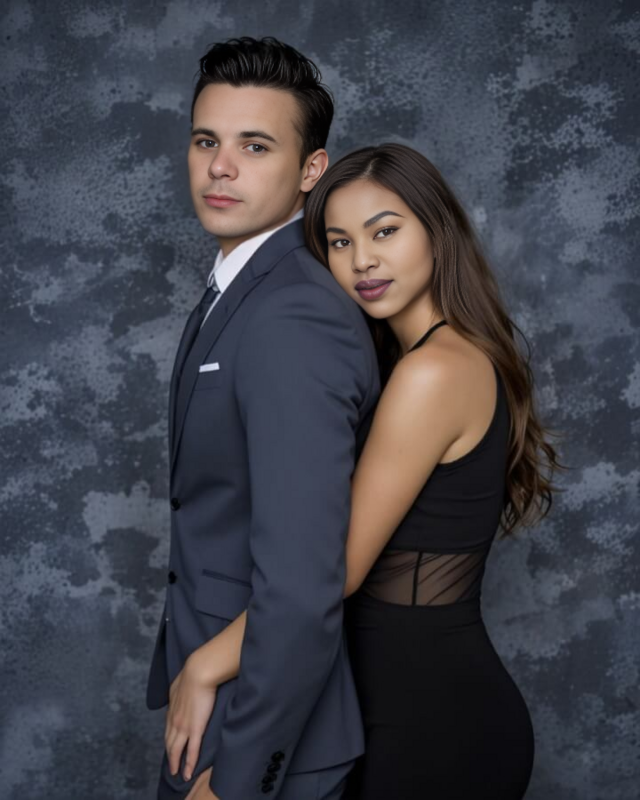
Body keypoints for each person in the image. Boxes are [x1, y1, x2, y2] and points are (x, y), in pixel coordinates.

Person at [189, 143, 561, 800]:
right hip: (393, 710)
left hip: (435, 725)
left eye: (384, 231)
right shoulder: (417, 362)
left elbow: (332, 572)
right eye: (339, 242)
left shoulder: (434, 372)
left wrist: (204, 665)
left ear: (437, 232)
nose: (361, 260)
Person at [146, 38, 380, 800]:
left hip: (258, 734)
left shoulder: (293, 314)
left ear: (311, 170)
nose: (220, 167)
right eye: (206, 141)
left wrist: (239, 780)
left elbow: (303, 586)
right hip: (212, 699)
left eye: (255, 146)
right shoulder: (239, 289)